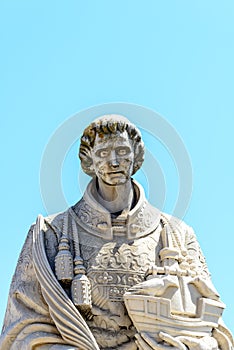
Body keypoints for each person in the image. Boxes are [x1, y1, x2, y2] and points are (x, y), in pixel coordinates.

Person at [0, 115, 233, 350]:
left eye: (122, 151)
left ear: (136, 155)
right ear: (88, 160)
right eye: (102, 153)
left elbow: (213, 330)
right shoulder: (49, 234)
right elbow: (21, 329)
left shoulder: (177, 235)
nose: (113, 162)